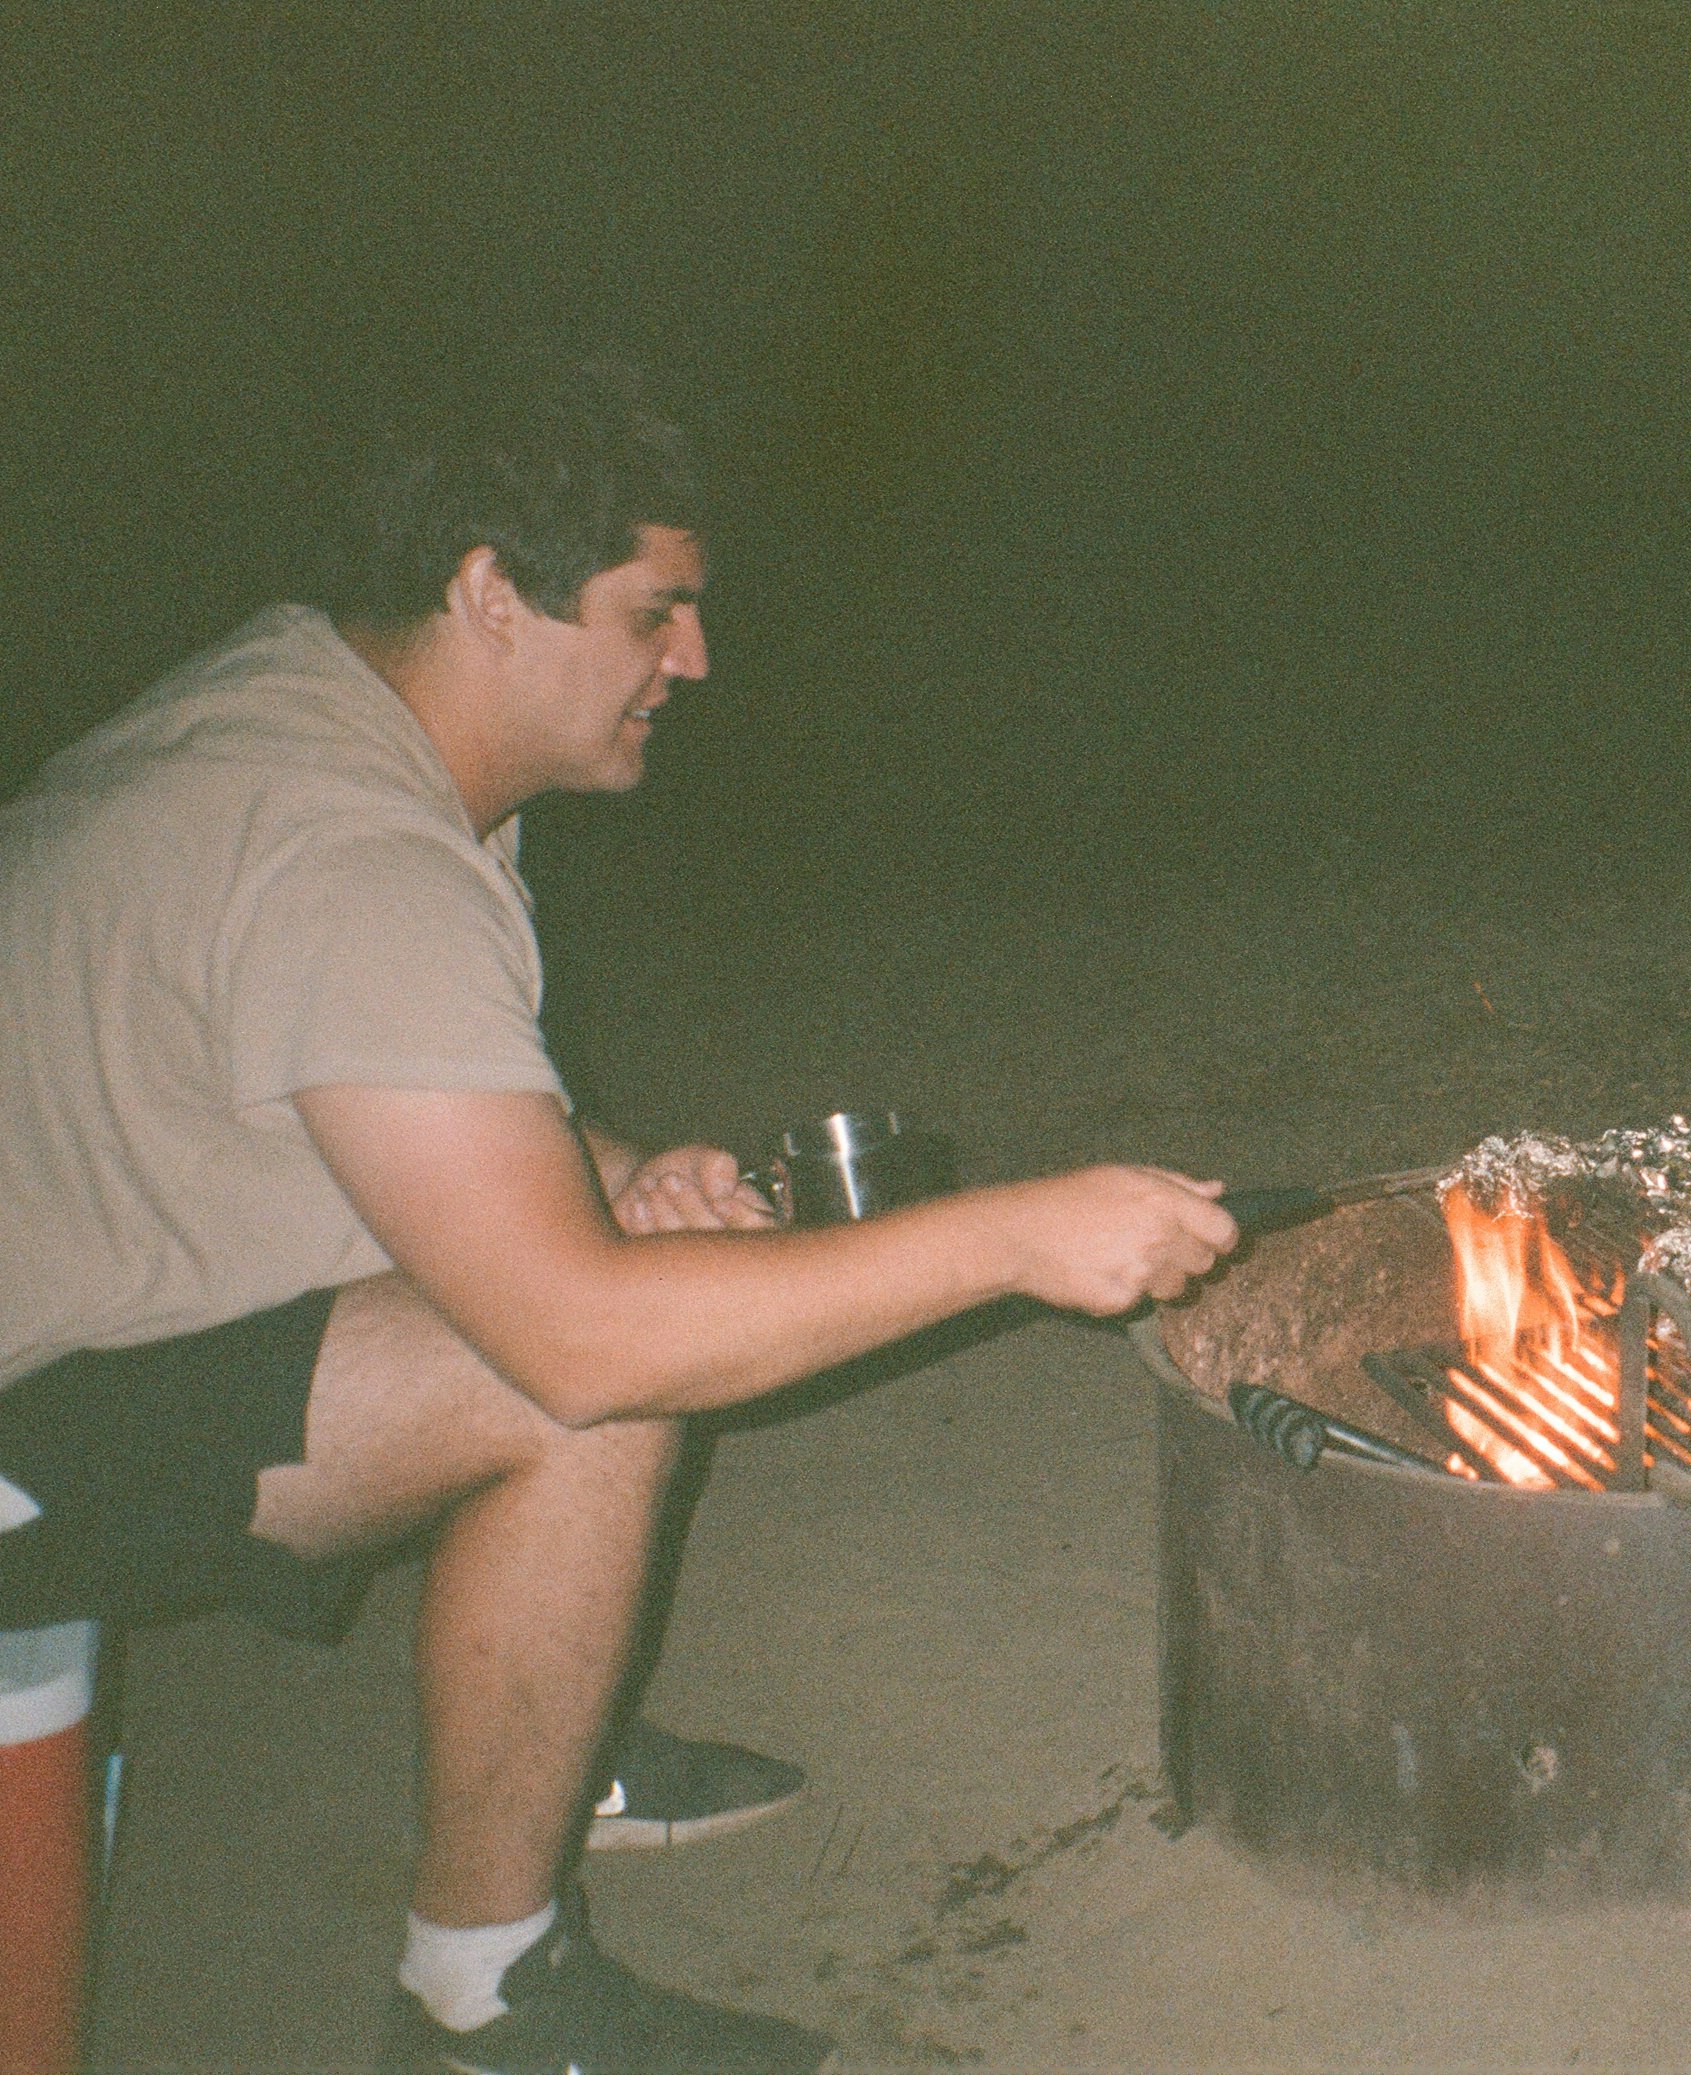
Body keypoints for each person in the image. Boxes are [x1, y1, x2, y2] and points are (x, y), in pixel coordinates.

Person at [0, 352, 1238, 2073]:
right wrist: (1017, 1237)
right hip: (18, 1436)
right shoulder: (354, 850)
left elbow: (400, 1069)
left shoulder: (323, 697)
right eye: (655, 614)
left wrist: (613, 1167)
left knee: (610, 1265)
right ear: (492, 593)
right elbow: (574, 1342)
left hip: (65, 1308)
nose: (697, 661)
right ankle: (480, 2003)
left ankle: (548, 1738)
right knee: (583, 1373)